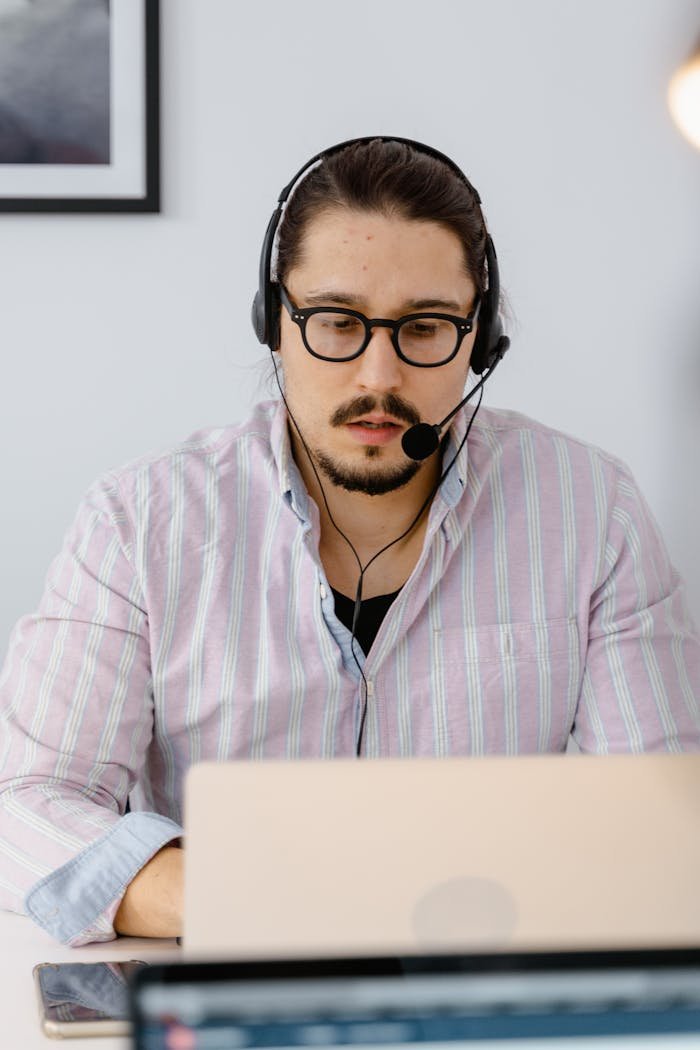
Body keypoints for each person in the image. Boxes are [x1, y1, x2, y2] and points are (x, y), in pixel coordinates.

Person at [0, 137, 699, 947]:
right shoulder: (138, 521)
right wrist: (238, 898)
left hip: (488, 984)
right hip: (232, 972)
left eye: (427, 327)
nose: (378, 376)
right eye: (336, 322)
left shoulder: (592, 510)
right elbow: (25, 803)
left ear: (481, 342)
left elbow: (661, 820)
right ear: (275, 325)